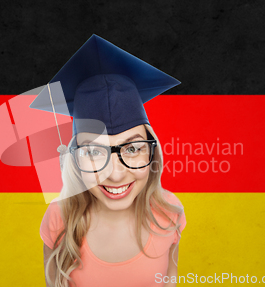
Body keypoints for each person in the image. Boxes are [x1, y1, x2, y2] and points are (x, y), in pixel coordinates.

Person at [30, 35, 186, 287]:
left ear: (152, 152)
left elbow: (169, 280)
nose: (115, 174)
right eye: (93, 152)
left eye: (133, 148)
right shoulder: (60, 220)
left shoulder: (168, 211)